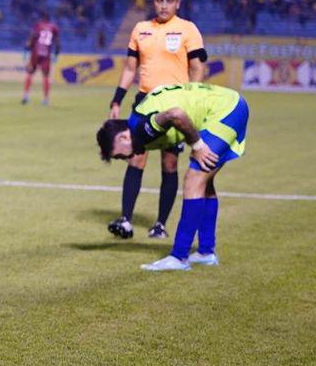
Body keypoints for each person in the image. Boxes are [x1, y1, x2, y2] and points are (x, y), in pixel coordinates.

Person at [96, 82, 249, 271]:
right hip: (231, 104)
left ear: (123, 138)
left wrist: (198, 145)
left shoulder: (141, 129)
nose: (124, 159)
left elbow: (175, 114)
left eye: (118, 155)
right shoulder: (138, 123)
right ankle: (206, 252)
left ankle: (179, 256)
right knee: (204, 182)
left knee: (193, 179)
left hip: (225, 111)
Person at [107, 0, 207, 240]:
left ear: (178, 3)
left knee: (170, 162)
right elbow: (130, 69)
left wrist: (191, 102)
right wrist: (117, 99)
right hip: (143, 102)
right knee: (136, 157)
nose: (164, 6)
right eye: (160, 1)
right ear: (154, 2)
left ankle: (160, 224)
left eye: (169, 1)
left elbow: (197, 68)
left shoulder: (188, 29)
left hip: (174, 106)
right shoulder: (141, 29)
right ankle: (126, 219)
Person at [22, 11, 60, 106]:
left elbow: (32, 38)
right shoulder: (54, 28)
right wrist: (56, 54)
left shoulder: (38, 26)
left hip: (36, 52)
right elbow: (58, 43)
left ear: (42, 18)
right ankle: (46, 99)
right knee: (46, 77)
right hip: (46, 54)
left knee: (30, 74)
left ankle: (26, 96)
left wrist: (26, 50)